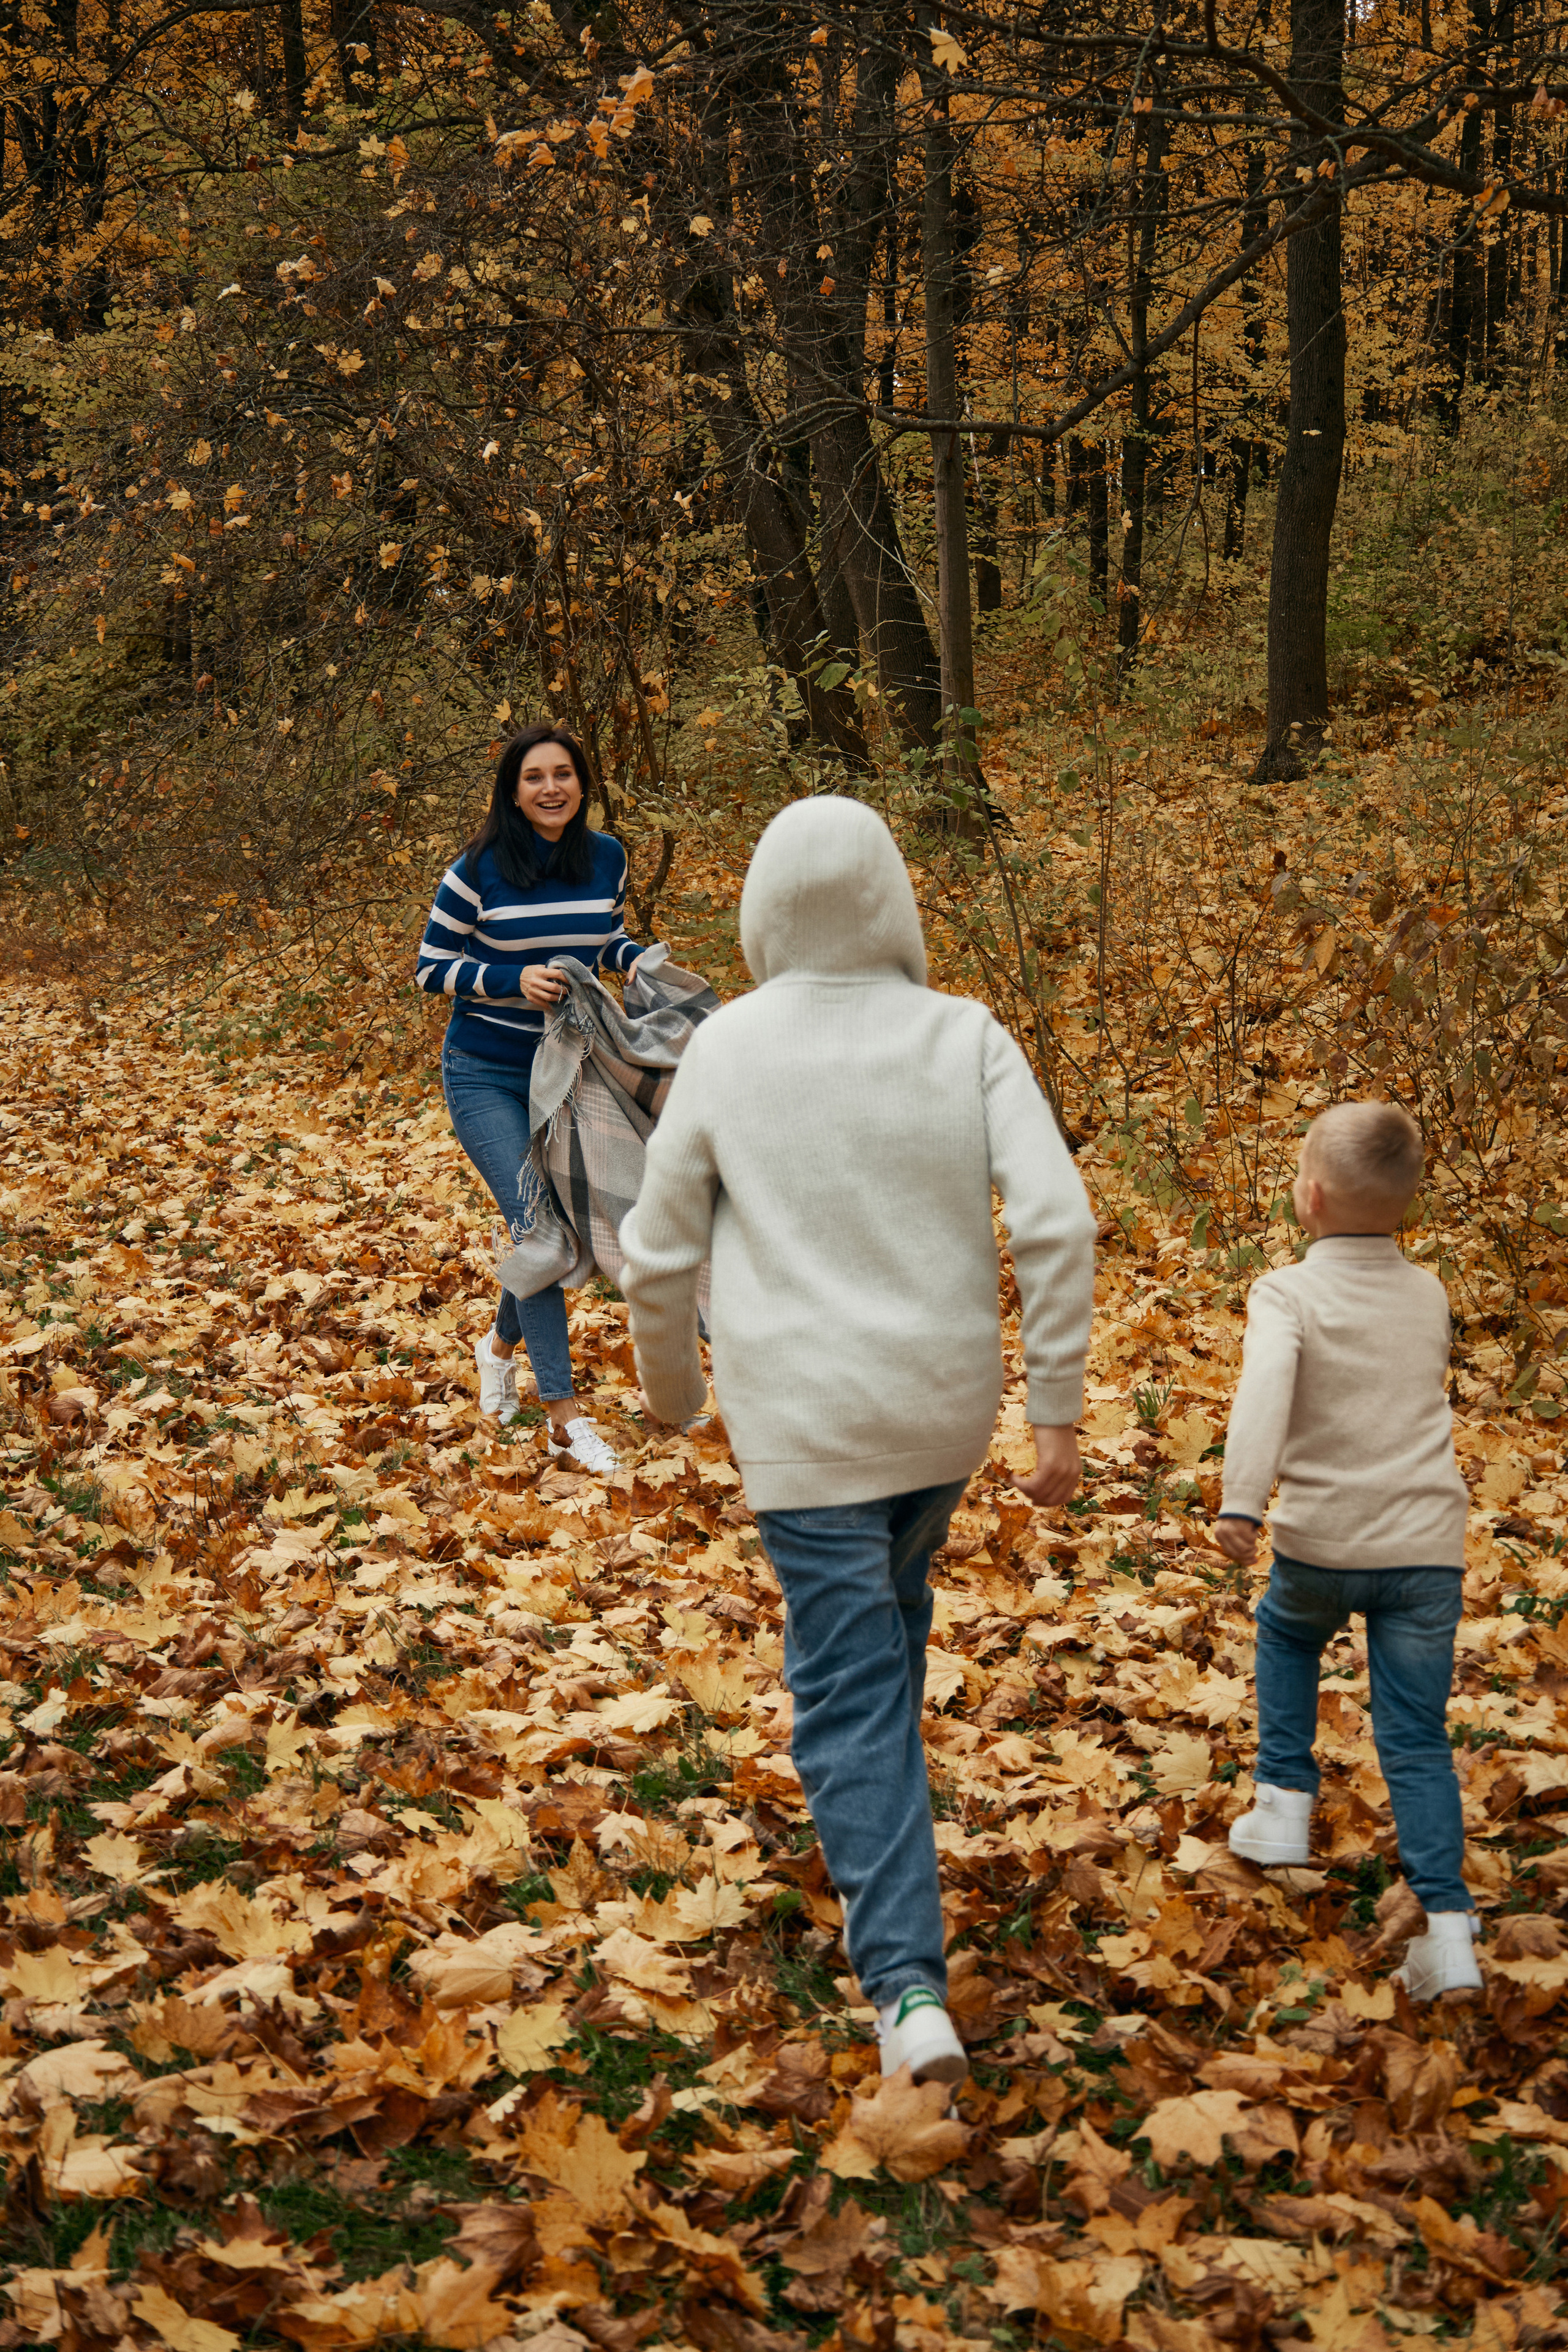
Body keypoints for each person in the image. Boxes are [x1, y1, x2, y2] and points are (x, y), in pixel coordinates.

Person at [617, 797, 1096, 2086]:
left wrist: (671, 1394)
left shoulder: (724, 1047)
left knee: (842, 1683)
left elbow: (655, 1251)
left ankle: (903, 1987)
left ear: (762, 909)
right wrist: (1050, 1405)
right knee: (885, 1618)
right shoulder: (963, 1035)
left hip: (806, 1423)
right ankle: (891, 1834)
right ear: (894, 900)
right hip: (939, 1416)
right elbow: (1055, 1220)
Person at [1214, 1099, 1479, 1999]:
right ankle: (1447, 1935)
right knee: (1416, 1739)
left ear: (1311, 1197)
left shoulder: (1288, 1292)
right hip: (1426, 1548)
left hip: (1324, 1539)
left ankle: (1283, 1804)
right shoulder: (1430, 1291)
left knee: (1288, 1635)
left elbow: (1265, 1395)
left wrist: (1242, 1503)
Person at [416, 725, 650, 1476]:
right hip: (484, 1070)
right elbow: (428, 968)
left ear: (582, 783)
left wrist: (636, 959)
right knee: (542, 1233)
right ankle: (564, 1420)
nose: (551, 788)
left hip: (569, 1072)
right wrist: (506, 982)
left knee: (555, 1234)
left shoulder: (606, 857)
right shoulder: (476, 870)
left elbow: (602, 940)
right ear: (512, 793)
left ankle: (496, 1349)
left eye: (563, 775)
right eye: (534, 778)